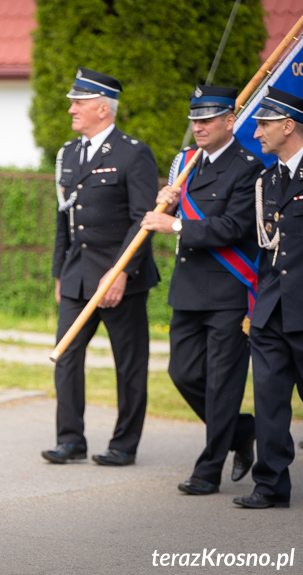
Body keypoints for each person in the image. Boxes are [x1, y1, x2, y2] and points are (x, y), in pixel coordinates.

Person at [140, 85, 262, 495]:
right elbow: (182, 211)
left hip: (229, 292)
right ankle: (241, 430)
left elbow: (234, 227)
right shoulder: (188, 165)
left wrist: (174, 225)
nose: (199, 126)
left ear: (231, 121)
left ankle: (208, 470)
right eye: (195, 119)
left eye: (208, 119)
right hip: (189, 290)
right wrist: (168, 203)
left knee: (223, 383)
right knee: (183, 372)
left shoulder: (248, 167)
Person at [42, 67, 159, 467]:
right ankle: (70, 439)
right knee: (67, 356)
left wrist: (122, 271)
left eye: (79, 102)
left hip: (120, 275)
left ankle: (124, 444)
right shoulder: (68, 153)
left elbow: (143, 219)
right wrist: (60, 272)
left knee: (128, 364)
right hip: (77, 274)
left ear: (103, 108)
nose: (72, 108)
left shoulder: (133, 153)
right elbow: (64, 219)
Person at [233, 87, 303, 509]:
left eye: (264, 124)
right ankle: (270, 485)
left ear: (288, 126)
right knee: (270, 404)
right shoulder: (267, 180)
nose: (256, 133)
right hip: (272, 311)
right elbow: (264, 247)